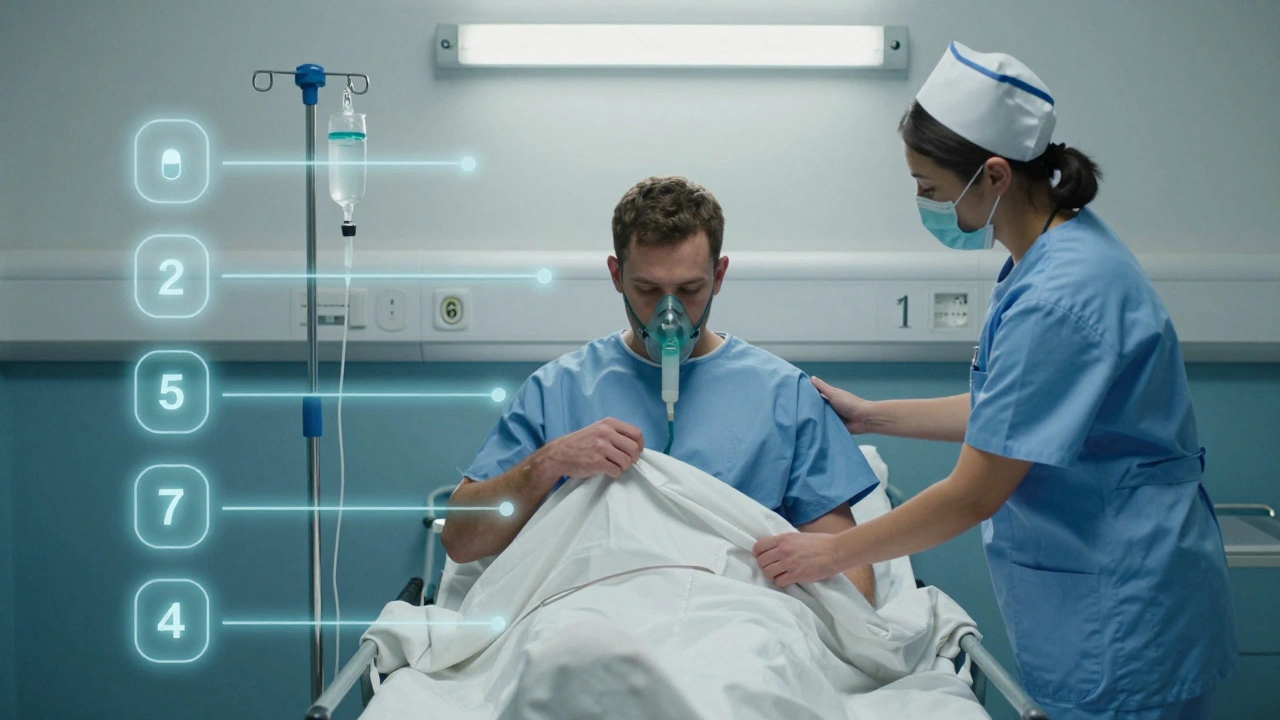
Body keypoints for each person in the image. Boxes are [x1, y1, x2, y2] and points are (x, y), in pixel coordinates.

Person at [752, 42, 1236, 719]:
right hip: (1106, 589)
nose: (922, 201)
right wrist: (869, 415)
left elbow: (973, 493)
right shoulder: (1054, 253)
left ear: (995, 176)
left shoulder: (1060, 296)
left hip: (1124, 609)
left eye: (929, 187)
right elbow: (1011, 412)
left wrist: (830, 553)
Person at [443, 175, 880, 603]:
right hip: (589, 614)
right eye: (648, 289)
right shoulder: (558, 390)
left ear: (719, 275)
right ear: (617, 275)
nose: (669, 313)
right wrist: (548, 462)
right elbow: (461, 541)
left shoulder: (785, 396)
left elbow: (853, 585)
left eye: (690, 289)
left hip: (737, 617)